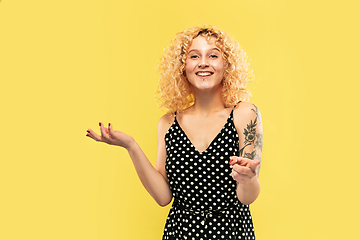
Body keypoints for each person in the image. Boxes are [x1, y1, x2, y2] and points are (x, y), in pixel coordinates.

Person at [86, 26, 263, 240]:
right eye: (194, 56)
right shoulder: (168, 123)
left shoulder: (244, 114)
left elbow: (247, 198)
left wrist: (247, 179)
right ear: (182, 67)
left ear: (227, 65)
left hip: (231, 233)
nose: (203, 62)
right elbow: (163, 197)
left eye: (213, 55)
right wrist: (130, 145)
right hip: (180, 233)